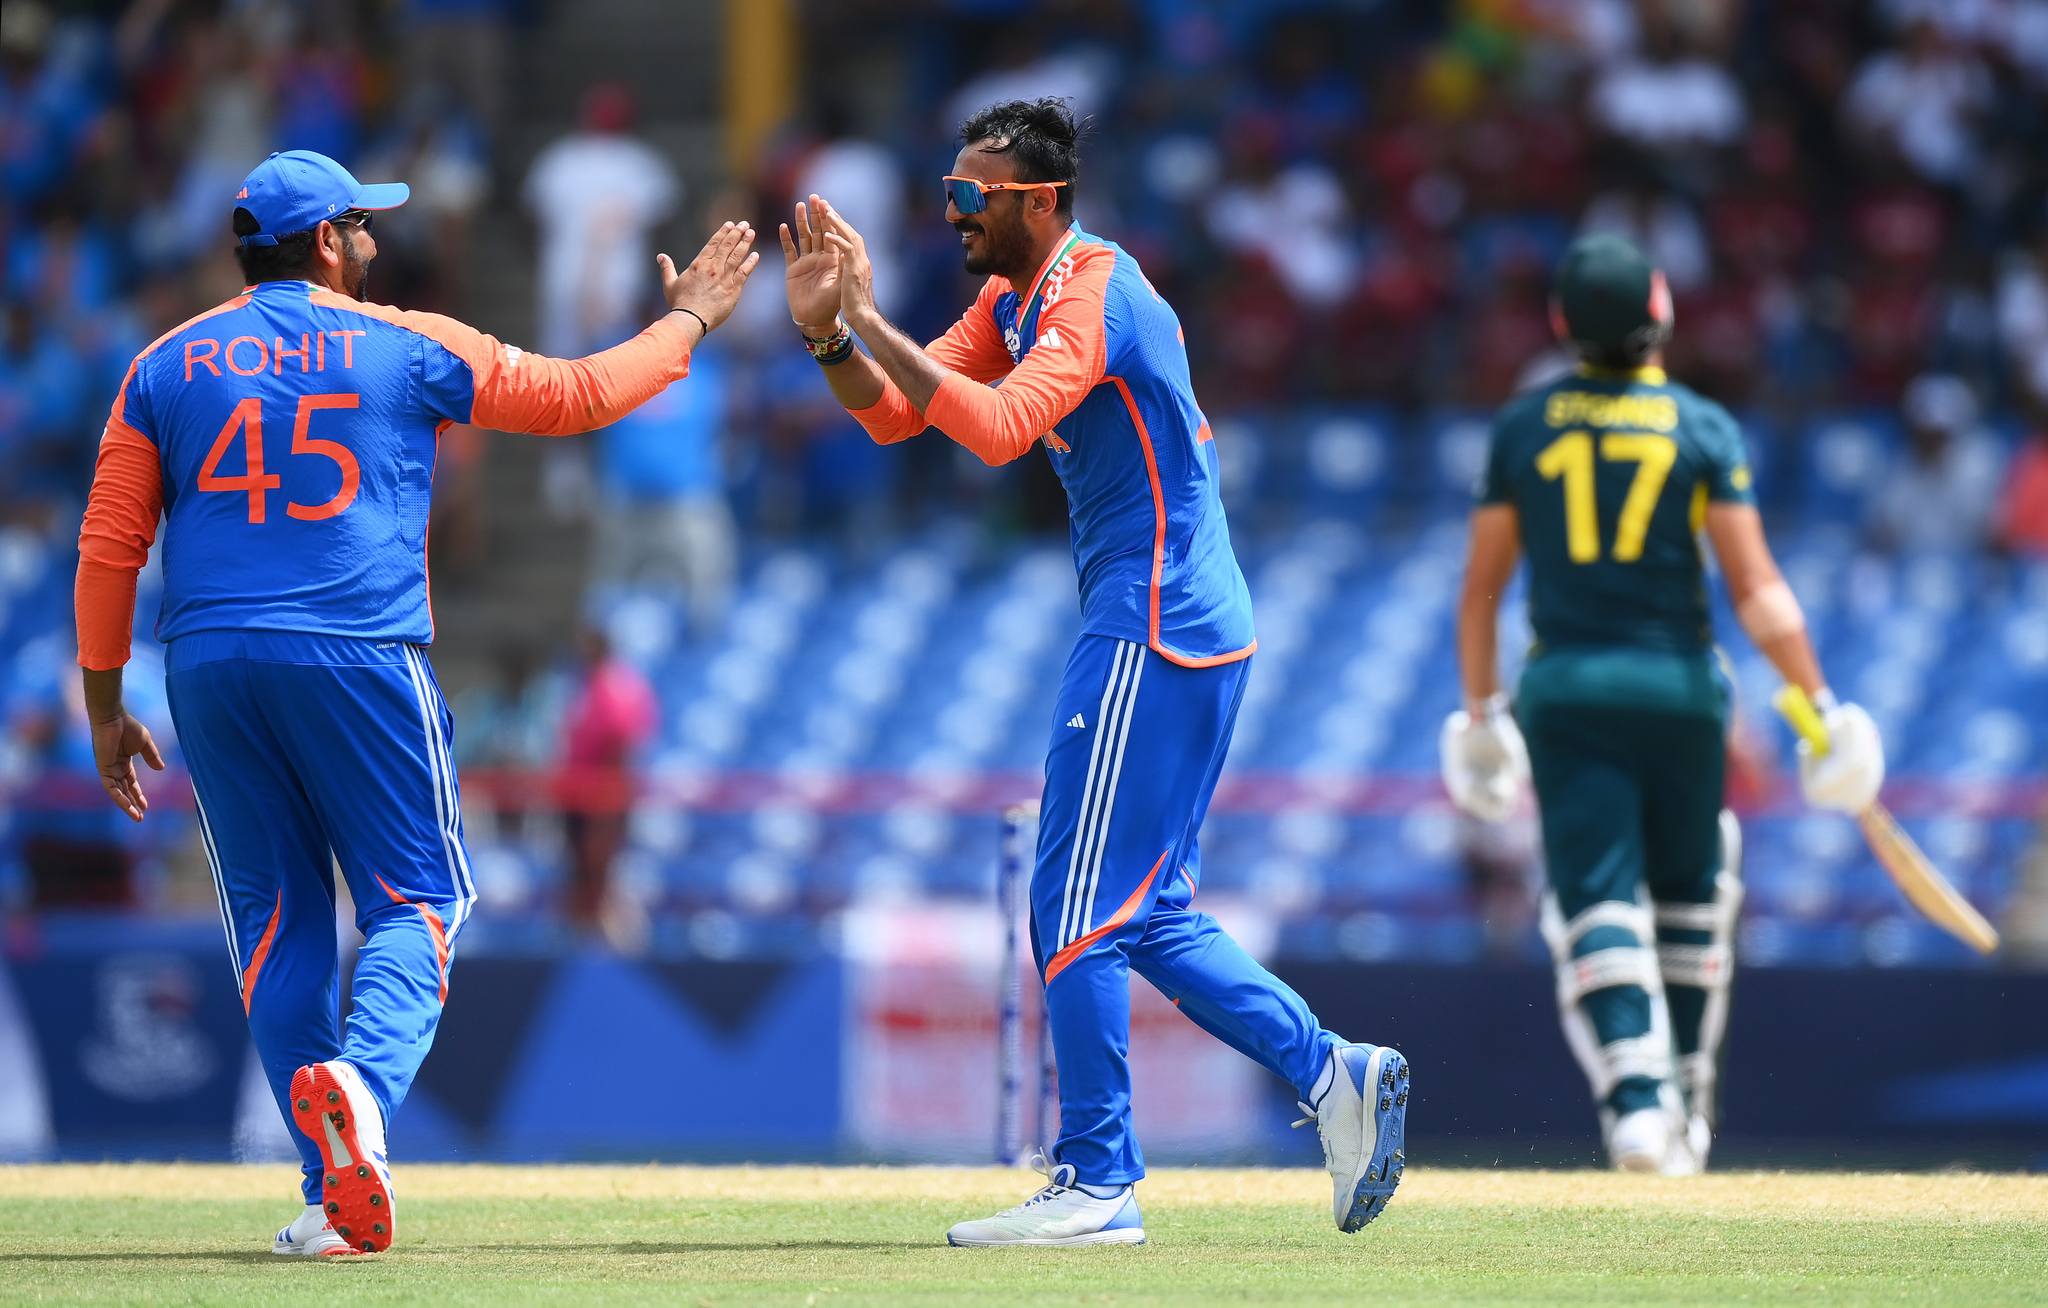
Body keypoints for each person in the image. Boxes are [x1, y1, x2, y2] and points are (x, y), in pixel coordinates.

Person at [74, 148, 757, 1255]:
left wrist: (106, 705)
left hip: (208, 661)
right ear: (326, 242)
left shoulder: (161, 364)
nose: (376, 241)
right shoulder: (406, 341)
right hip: (357, 649)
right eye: (362, 224)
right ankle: (364, 1083)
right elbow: (580, 395)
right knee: (421, 900)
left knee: (279, 925)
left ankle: (329, 1197)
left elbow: (109, 548)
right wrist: (688, 322)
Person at [783, 98, 1408, 1247]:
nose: (952, 214)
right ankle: (1333, 1074)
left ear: (1038, 201)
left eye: (970, 197)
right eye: (948, 193)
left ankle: (1097, 1178)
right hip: (1176, 615)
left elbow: (997, 430)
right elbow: (894, 420)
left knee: (1072, 904)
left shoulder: (1092, 291)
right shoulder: (1008, 298)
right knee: (1143, 913)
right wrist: (832, 338)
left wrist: (870, 316)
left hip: (1153, 616)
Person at [1443, 233, 1885, 1174]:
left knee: (1593, 892)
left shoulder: (1522, 427)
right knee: (1692, 891)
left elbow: (1480, 590)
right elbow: (1758, 592)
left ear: (1562, 323)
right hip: (1683, 685)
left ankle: (1639, 1102)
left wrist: (1481, 715)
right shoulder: (1702, 425)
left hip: (1568, 687)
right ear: (1661, 314)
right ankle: (1685, 1099)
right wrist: (1821, 701)